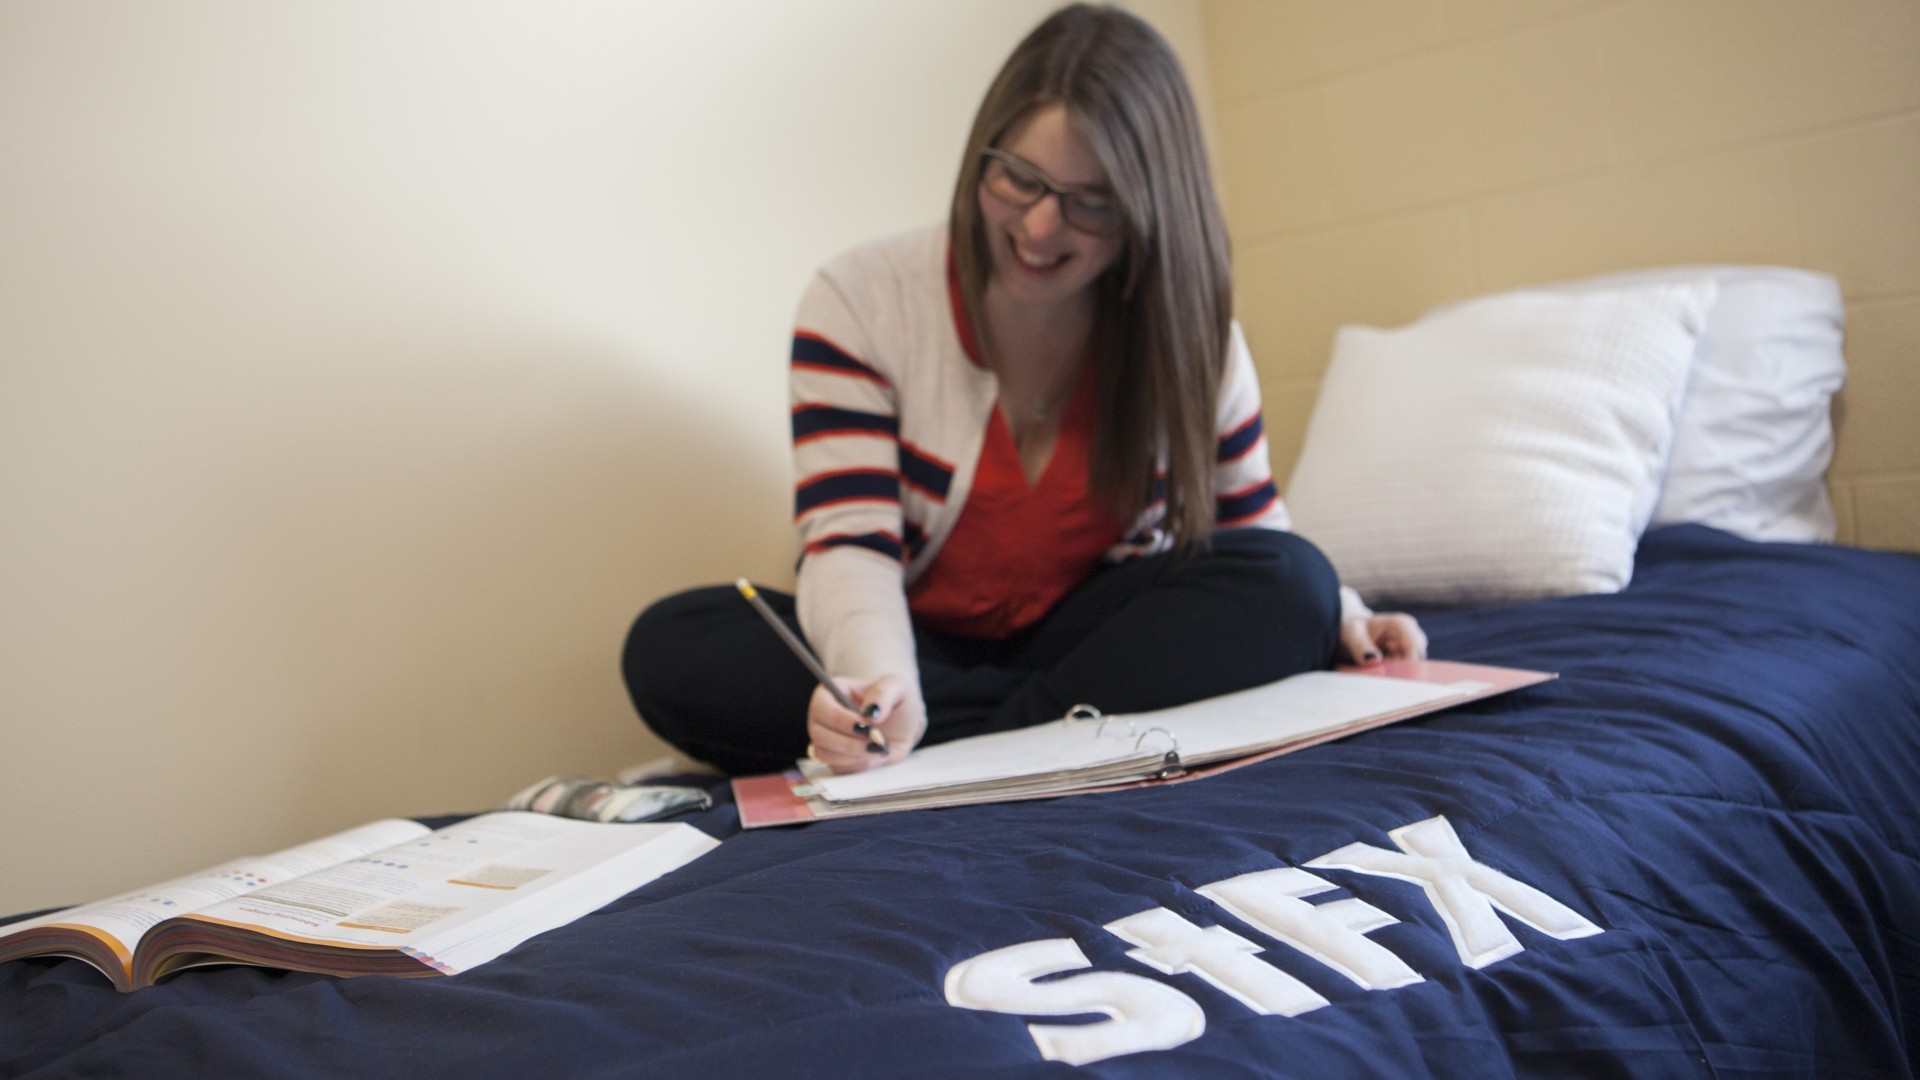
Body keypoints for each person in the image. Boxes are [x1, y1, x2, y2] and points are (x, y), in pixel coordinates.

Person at [623, 3, 1425, 778]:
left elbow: (1249, 525)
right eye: (1019, 180)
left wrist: (1344, 618)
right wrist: (879, 685)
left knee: (1295, 581)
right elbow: (849, 545)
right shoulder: (861, 300)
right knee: (674, 645)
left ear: (1150, 212)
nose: (1041, 229)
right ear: (983, 153)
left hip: (1093, 636)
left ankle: (972, 736)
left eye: (1091, 204)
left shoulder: (1194, 337)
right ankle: (1040, 728)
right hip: (926, 645)